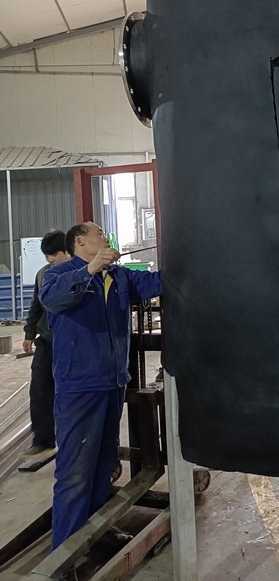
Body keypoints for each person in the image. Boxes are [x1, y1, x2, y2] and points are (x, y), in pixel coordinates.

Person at [39, 222, 162, 552]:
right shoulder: (59, 274)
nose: (105, 239)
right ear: (80, 241)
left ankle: (95, 531)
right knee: (76, 470)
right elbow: (54, 299)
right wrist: (91, 269)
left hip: (113, 382)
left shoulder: (118, 276)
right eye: (99, 235)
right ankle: (64, 552)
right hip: (80, 386)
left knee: (103, 463)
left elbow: (157, 283)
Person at [21, 230, 68, 460]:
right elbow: (36, 307)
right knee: (40, 389)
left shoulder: (79, 273)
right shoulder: (43, 274)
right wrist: (29, 333)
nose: (50, 259)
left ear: (67, 251)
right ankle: (43, 441)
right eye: (47, 256)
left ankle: (71, 442)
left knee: (69, 393)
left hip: (70, 345)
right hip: (47, 342)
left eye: (54, 254)